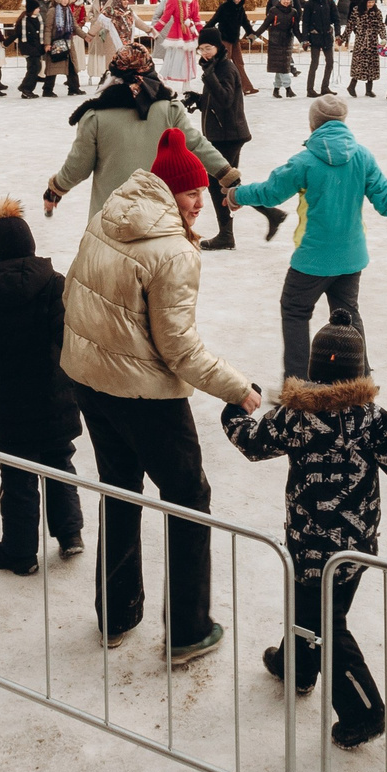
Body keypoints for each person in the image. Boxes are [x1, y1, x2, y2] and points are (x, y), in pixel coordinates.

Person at [60, 130, 261, 661]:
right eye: (192, 193)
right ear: (168, 191)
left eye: (202, 192)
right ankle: (190, 630)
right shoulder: (172, 251)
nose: (201, 203)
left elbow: (72, 291)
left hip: (90, 380)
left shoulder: (106, 216)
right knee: (188, 497)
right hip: (143, 394)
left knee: (120, 488)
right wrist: (237, 388)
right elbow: (179, 349)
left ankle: (117, 614)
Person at [222, 314, 387, 748]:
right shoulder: (371, 418)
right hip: (357, 546)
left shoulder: (295, 416)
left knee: (324, 620)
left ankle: (364, 711)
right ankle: (298, 666)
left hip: (307, 544)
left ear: (313, 368)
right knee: (319, 608)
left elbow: (253, 444)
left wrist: (234, 413)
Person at [229, 95, 387, 379]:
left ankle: (297, 384)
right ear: (343, 122)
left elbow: (270, 192)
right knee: (348, 316)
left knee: (295, 310)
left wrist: (236, 195)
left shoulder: (304, 161)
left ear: (313, 125)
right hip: (351, 256)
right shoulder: (362, 157)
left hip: (313, 258)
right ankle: (359, 383)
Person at [0, 199, 84, 575]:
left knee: (17, 477)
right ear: (31, 245)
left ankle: (20, 553)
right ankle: (70, 534)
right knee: (60, 462)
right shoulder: (56, 285)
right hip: (56, 400)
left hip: (12, 408)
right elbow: (69, 339)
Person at [46, 45, 235, 220]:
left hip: (111, 217)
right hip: (158, 216)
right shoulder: (169, 110)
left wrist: (56, 189)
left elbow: (79, 165)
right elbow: (196, 145)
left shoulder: (95, 117)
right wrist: (227, 175)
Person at [193, 35, 285, 251]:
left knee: (219, 182)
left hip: (228, 136)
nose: (204, 53)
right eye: (201, 49)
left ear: (218, 46)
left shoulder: (225, 68)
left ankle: (228, 234)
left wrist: (209, 76)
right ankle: (269, 213)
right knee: (228, 183)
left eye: (208, 48)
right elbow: (216, 100)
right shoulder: (215, 67)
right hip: (223, 134)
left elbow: (226, 100)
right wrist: (198, 99)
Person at [301, 0, 340, 97]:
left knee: (330, 62)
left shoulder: (330, 3)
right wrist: (305, 38)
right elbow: (305, 22)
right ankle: (310, 89)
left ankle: (325, 87)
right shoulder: (309, 4)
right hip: (315, 37)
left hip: (327, 36)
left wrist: (338, 34)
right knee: (314, 63)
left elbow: (336, 19)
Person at [263, 0, 300, 99]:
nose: (286, 1)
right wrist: (254, 35)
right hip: (276, 42)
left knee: (282, 66)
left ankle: (276, 89)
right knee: (283, 67)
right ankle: (288, 89)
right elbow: (265, 25)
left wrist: (303, 40)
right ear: (280, 0)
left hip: (287, 41)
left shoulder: (293, 12)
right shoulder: (273, 11)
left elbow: (296, 29)